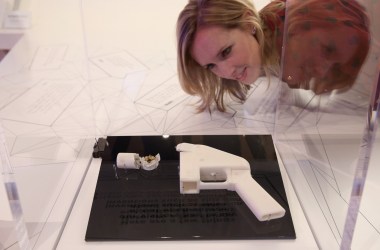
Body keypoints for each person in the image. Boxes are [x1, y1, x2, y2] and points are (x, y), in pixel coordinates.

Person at [176, 0, 370, 112]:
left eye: (226, 52)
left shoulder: (301, 34)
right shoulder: (257, 51)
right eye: (211, 66)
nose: (226, 72)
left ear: (248, 23)